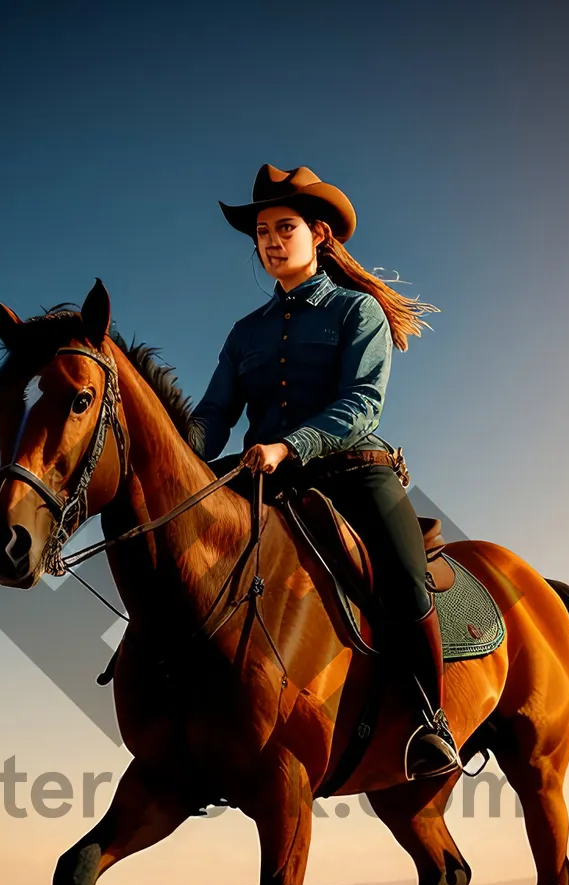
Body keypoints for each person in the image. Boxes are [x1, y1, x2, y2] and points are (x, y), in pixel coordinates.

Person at [186, 163, 462, 779]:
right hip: (264, 478)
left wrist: (289, 445)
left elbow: (363, 402)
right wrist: (181, 450)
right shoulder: (243, 333)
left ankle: (429, 722)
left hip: (351, 471)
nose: (271, 241)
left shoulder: (356, 312)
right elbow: (214, 414)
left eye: (285, 227)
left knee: (400, 571)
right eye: (262, 232)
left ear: (320, 237)